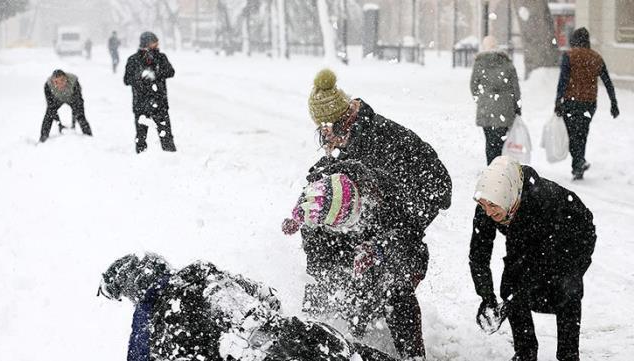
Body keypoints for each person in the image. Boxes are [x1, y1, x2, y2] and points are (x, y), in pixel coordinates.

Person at [286, 69, 452, 360]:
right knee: (337, 277)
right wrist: (305, 211)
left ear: (343, 121)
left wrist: (378, 245)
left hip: (409, 216)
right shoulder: (345, 148)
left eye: (326, 129)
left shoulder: (383, 143)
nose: (324, 138)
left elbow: (437, 191)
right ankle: (340, 338)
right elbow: (320, 193)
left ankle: (413, 355)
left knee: (392, 283)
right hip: (367, 217)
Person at [98, 253, 398, 361]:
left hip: (255, 350)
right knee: (340, 348)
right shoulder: (200, 271)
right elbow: (269, 297)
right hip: (293, 335)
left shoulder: (153, 330)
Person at [469, 156, 596, 361]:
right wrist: (487, 297)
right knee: (511, 288)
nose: (488, 212)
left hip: (572, 235)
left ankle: (568, 354)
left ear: (507, 196)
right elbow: (478, 255)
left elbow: (531, 258)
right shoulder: (490, 202)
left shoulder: (540, 200)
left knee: (566, 290)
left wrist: (569, 272)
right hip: (531, 238)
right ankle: (525, 353)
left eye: (492, 206)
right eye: (483, 205)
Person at [554, 27, 619, 180]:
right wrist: (613, 102)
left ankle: (578, 162)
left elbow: (563, 81)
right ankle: (579, 164)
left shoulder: (569, 56)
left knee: (572, 135)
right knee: (582, 134)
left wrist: (558, 101)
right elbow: (607, 81)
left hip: (571, 102)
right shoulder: (596, 57)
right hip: (589, 104)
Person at [470, 35, 522, 165]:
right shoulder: (506, 62)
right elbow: (515, 87)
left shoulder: (479, 62)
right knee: (500, 142)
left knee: (490, 142)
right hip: (505, 108)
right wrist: (517, 106)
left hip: (486, 108)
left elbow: (473, 85)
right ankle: (499, 168)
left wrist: (481, 99)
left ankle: (491, 167)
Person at [124, 31, 176, 153]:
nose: (157, 44)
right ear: (146, 43)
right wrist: (140, 77)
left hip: (160, 102)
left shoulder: (161, 57)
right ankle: (141, 159)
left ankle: (171, 158)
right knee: (141, 136)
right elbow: (127, 80)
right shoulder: (133, 60)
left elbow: (171, 72)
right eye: (154, 42)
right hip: (141, 104)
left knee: (166, 134)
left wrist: (155, 74)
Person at [39, 69, 93, 142]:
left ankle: (89, 137)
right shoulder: (48, 86)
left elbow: (78, 103)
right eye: (56, 82)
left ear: (66, 79)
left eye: (62, 80)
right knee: (48, 115)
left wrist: (73, 124)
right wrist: (59, 124)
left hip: (72, 98)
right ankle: (43, 138)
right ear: (52, 81)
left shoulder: (74, 82)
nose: (60, 84)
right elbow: (51, 107)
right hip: (57, 99)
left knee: (80, 116)